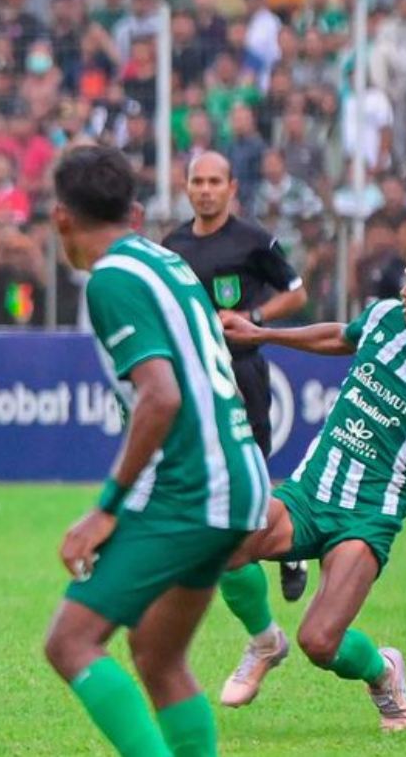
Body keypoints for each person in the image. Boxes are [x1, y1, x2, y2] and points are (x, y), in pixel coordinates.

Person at [44, 145, 270, 757]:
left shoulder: (113, 279)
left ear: (61, 216)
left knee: (71, 642)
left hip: (195, 488)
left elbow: (161, 397)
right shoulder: (163, 260)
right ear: (134, 210)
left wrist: (108, 507)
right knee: (157, 653)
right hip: (238, 475)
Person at [215, 233, 406, 732]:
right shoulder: (384, 319)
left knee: (320, 642)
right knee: (224, 541)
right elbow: (342, 336)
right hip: (308, 492)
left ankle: (382, 671)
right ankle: (264, 640)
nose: (404, 290)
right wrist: (261, 334)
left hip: (366, 517)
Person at [162, 151, 311, 603]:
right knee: (198, 467)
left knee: (252, 470)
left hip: (241, 369)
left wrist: (254, 316)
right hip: (195, 374)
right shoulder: (172, 246)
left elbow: (297, 294)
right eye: (198, 182)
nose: (205, 190)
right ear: (186, 188)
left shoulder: (254, 241)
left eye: (214, 182)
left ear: (232, 189)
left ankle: (291, 547)